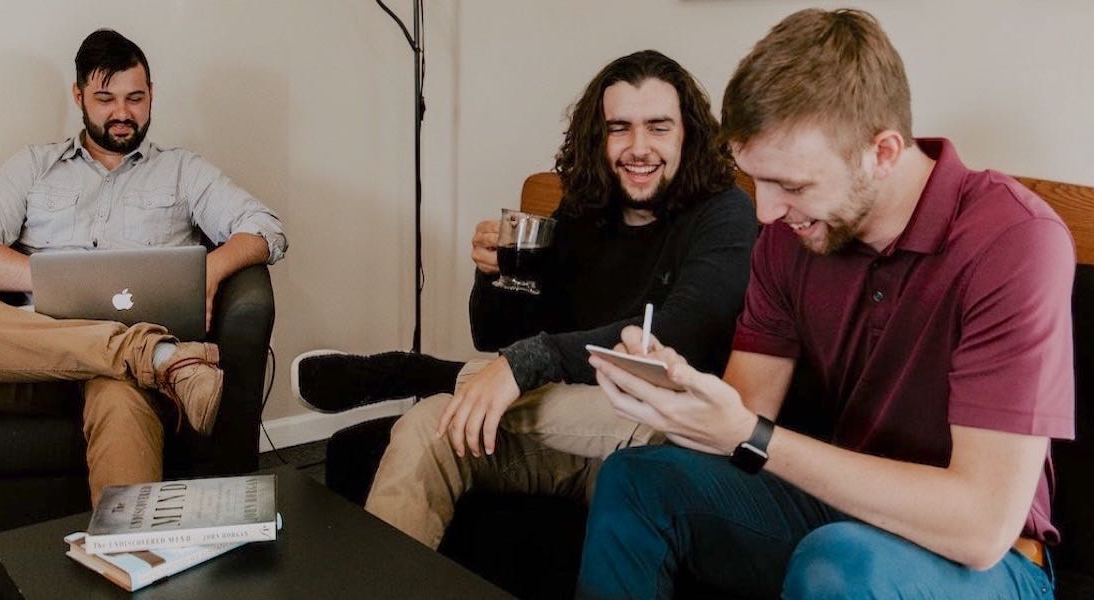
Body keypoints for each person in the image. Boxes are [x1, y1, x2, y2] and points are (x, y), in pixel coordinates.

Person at [578, 9, 1072, 599]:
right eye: (755, 180)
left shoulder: (1013, 239)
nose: (764, 212)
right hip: (842, 515)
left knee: (838, 561)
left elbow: (980, 526)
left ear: (883, 152)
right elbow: (740, 418)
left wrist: (753, 435)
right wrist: (679, 393)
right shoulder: (788, 239)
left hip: (992, 563)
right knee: (636, 482)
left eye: (792, 185)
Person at [294, 50, 757, 549]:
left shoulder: (726, 215)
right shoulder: (584, 210)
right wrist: (493, 276)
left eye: (658, 127)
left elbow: (680, 330)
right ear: (598, 137)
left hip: (659, 434)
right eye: (619, 127)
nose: (638, 147)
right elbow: (498, 338)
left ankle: (424, 372)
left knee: (639, 413)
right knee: (427, 425)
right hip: (566, 429)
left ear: (687, 133)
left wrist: (523, 365)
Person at [0, 29, 286, 600]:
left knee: (117, 389)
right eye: (106, 98)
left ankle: (131, 572)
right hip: (31, 363)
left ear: (152, 96)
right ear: (79, 95)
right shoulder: (34, 167)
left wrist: (211, 270)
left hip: (121, 382)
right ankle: (154, 355)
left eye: (134, 98)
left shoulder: (182, 171)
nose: (122, 113)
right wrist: (41, 277)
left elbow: (266, 229)